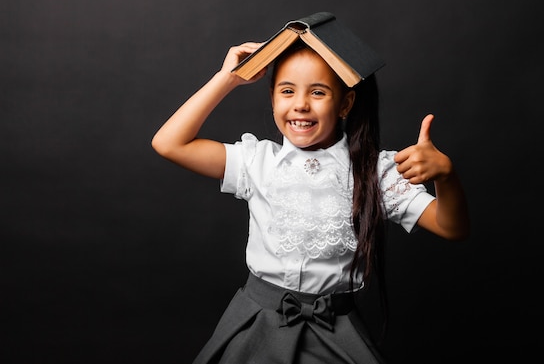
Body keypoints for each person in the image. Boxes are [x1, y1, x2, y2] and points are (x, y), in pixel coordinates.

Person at [151, 20, 470, 363]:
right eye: (287, 91)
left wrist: (446, 176)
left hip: (336, 332)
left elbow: (452, 227)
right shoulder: (257, 161)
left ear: (346, 104)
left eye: (317, 92)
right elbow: (169, 143)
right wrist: (228, 79)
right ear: (273, 99)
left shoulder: (375, 172)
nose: (300, 104)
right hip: (255, 324)